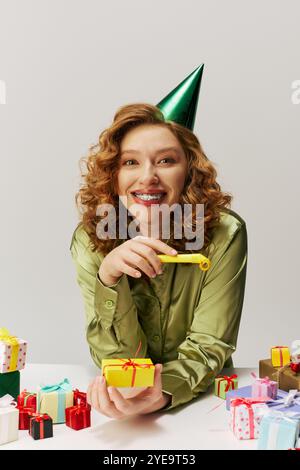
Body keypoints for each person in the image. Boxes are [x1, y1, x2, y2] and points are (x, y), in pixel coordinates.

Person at [69, 100, 248, 419]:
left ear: (189, 171)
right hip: (124, 415)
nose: (148, 177)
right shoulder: (89, 241)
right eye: (130, 162)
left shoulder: (224, 234)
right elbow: (118, 363)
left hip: (206, 406)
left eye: (166, 160)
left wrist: (163, 392)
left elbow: (209, 346)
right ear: (113, 174)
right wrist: (109, 279)